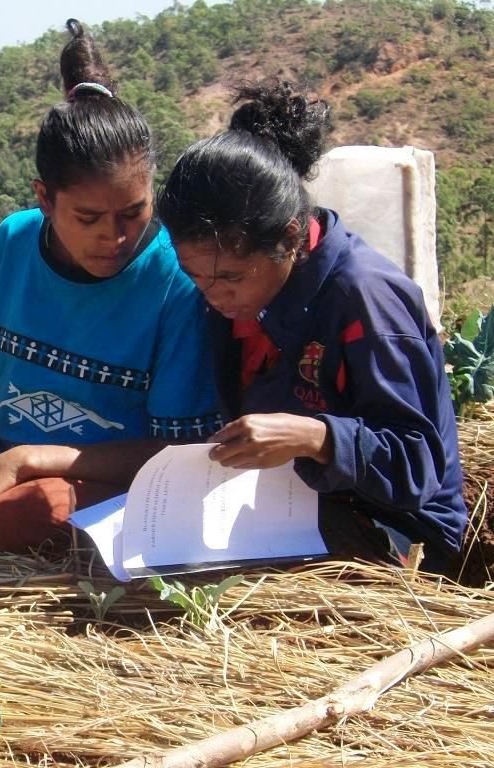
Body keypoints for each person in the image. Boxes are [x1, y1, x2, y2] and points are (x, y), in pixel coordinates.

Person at [0, 20, 221, 553]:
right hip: (7, 464)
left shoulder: (172, 281)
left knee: (20, 519)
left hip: (119, 483)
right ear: (44, 197)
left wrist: (33, 459)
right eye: (88, 218)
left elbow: (175, 451)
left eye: (134, 212)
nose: (115, 237)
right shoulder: (11, 243)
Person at [156, 79, 467, 572]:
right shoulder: (229, 299)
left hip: (401, 530)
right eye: (196, 277)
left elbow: (418, 466)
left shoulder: (365, 299)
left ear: (291, 237)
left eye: (231, 278)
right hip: (293, 501)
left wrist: (317, 438)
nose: (213, 296)